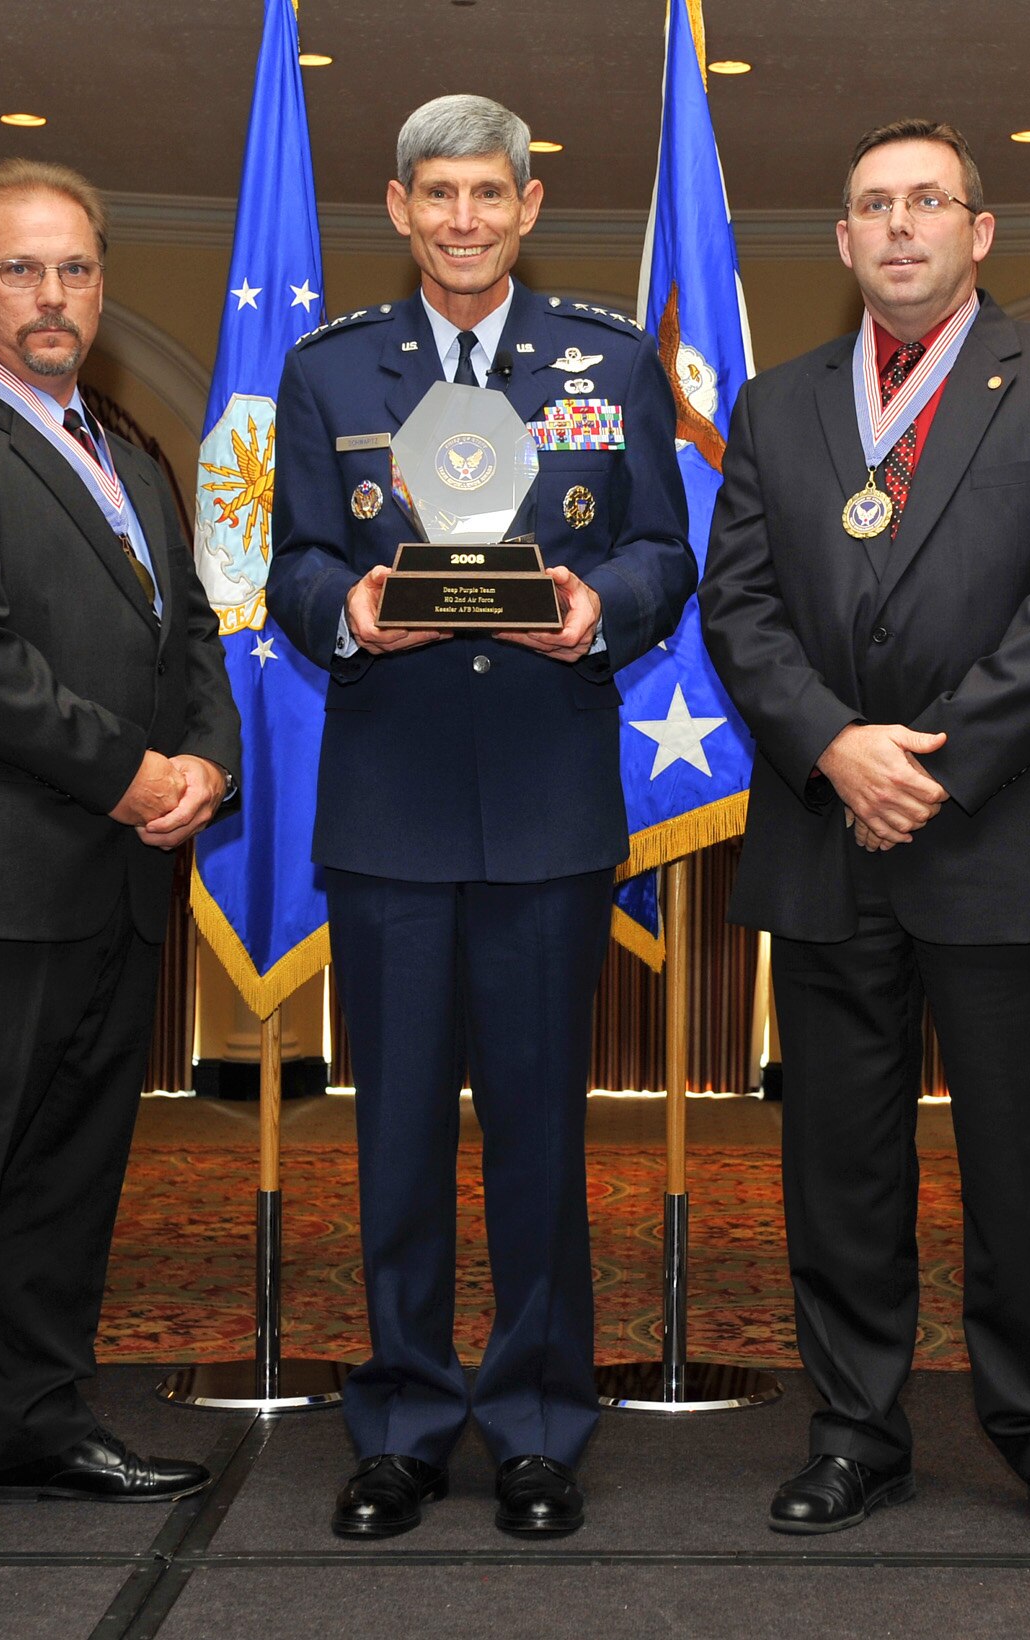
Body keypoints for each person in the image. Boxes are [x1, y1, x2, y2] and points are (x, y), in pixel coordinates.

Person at [699, 119, 1030, 1551]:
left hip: (1002, 829)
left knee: (1026, 1162)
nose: (900, 227)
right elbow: (740, 608)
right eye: (873, 207)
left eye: (927, 202)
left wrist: (933, 770)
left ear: (980, 229)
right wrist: (836, 749)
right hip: (830, 831)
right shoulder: (774, 409)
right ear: (840, 242)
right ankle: (854, 1431)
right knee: (839, 1164)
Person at [266, 94, 694, 1542]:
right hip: (388, 813)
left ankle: (533, 1427)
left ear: (527, 207)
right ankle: (396, 1424)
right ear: (397, 209)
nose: (461, 219)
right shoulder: (331, 372)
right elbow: (297, 566)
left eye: (487, 196)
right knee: (392, 1141)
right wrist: (352, 610)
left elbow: (661, 550)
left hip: (545, 811)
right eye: (435, 195)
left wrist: (599, 611)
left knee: (537, 1138)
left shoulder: (611, 361)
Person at [0, 159, 240, 1582]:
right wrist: (128, 774)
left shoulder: (126, 460)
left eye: (74, 269)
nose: (53, 295)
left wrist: (206, 760)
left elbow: (189, 635)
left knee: (68, 1184)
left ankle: (32, 1422)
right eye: (21, 269)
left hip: (114, 891)